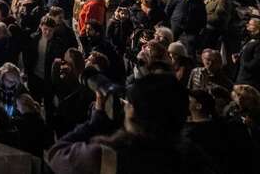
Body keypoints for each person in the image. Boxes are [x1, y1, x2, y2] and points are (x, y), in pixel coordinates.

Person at [48, 72, 215, 174]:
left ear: (132, 112)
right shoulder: (196, 159)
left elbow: (57, 153)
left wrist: (96, 120)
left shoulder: (104, 157)